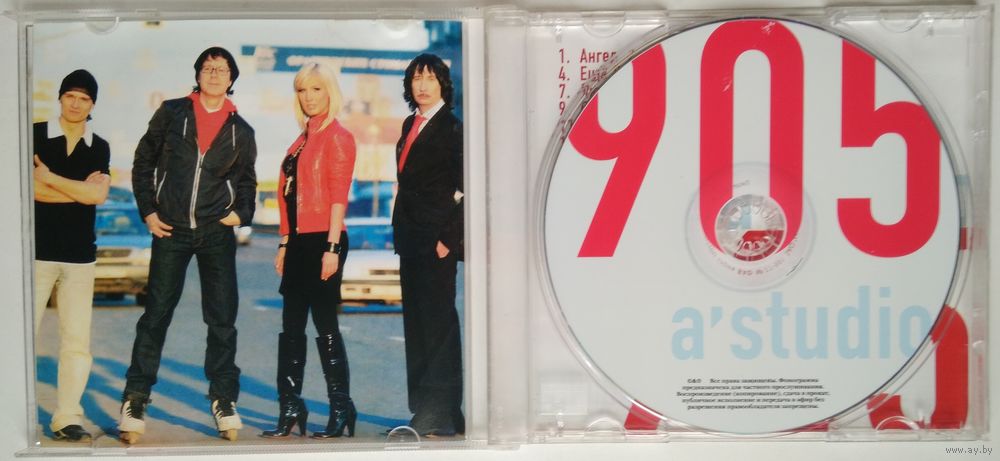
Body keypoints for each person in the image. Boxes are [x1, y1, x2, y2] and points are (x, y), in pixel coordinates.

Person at [118, 46, 257, 444]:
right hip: (171, 229)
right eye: (208, 68)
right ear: (197, 75)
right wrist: (148, 211)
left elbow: (246, 180)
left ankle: (224, 400)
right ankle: (135, 399)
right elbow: (143, 161)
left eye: (222, 69)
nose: (214, 74)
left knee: (222, 319)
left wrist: (241, 214)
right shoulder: (172, 112)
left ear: (231, 79)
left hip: (216, 233)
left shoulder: (241, 129)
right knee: (155, 315)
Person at [261, 62, 358, 439]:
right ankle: (290, 406)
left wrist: (331, 247)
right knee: (290, 327)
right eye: (302, 90)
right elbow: (288, 197)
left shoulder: (338, 137)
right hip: (299, 241)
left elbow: (338, 197)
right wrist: (285, 241)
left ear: (330, 92)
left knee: (325, 323)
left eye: (316, 89)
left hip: (324, 240)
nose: (308, 97)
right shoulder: (299, 141)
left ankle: (341, 407)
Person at [32, 69, 111, 442]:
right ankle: (11, 411)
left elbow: (97, 196)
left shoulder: (99, 146)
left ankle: (66, 417)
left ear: (92, 104)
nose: (76, 104)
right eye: (70, 96)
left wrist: (49, 178)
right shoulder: (35, 135)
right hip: (36, 253)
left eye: (84, 99)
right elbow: (27, 190)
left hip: (80, 256)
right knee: (21, 336)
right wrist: (78, 191)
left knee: (77, 342)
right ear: (60, 98)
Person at [393, 53, 464, 437]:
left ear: (442, 85)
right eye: (416, 78)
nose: (422, 85)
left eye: (430, 79)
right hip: (410, 239)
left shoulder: (452, 128)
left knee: (438, 327)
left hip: (436, 241)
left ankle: (439, 411)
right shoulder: (411, 124)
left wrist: (448, 239)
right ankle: (429, 409)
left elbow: (467, 188)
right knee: (417, 327)